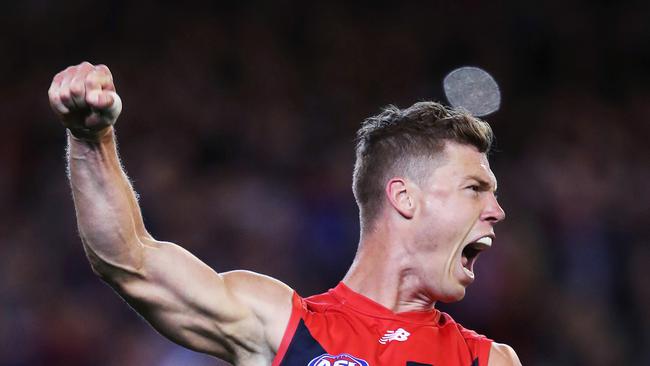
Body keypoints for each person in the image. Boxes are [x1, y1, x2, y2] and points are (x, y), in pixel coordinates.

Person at [48, 62, 522, 366]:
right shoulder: (285, 325)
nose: (497, 211)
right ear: (405, 198)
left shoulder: (487, 360)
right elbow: (128, 261)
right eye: (474, 189)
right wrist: (92, 141)